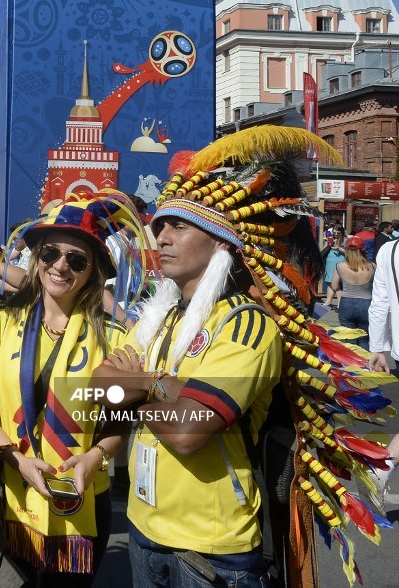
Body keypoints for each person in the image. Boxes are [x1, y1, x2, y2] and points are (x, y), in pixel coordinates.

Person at [94, 127, 395, 587]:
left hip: (210, 551)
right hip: (143, 530)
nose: (162, 236)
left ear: (219, 242)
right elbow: (97, 386)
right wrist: (161, 387)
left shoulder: (247, 324)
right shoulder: (158, 317)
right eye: (160, 225)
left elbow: (186, 432)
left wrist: (136, 384)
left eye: (179, 226)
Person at [0, 193, 146, 586]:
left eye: (76, 260)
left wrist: (95, 458)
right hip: (11, 491)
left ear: (93, 271)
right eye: (50, 254)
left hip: (82, 496)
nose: (60, 266)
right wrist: (18, 461)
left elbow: (121, 420)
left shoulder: (115, 338)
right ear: (36, 259)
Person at [368, 235, 399, 501]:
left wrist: (378, 347)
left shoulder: (390, 251)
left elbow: (380, 303)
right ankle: (384, 467)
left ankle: (385, 466)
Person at [330, 236, 375, 349]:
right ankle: (365, 364)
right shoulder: (372, 266)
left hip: (347, 304)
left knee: (349, 339)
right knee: (365, 339)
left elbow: (334, 286)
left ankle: (352, 365)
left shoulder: (340, 267)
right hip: (367, 304)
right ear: (362, 249)